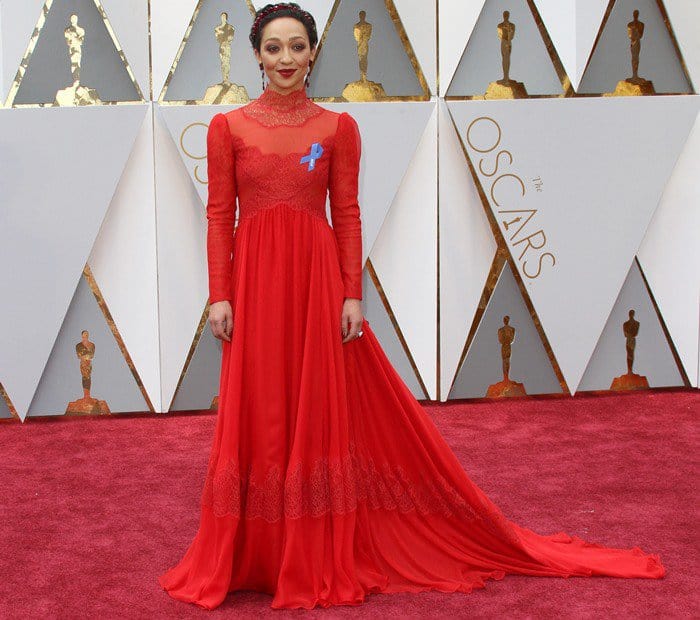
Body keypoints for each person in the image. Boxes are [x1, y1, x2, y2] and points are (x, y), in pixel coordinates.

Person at [158, 2, 664, 610]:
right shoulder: (228, 129)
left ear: (314, 53)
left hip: (317, 284)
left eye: (297, 47)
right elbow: (219, 216)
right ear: (257, 56)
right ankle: (257, 554)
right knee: (261, 407)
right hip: (257, 284)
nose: (286, 59)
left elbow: (346, 213)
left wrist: (351, 294)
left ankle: (310, 550)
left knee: (315, 404)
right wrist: (220, 292)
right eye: (274, 48)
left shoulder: (337, 129)